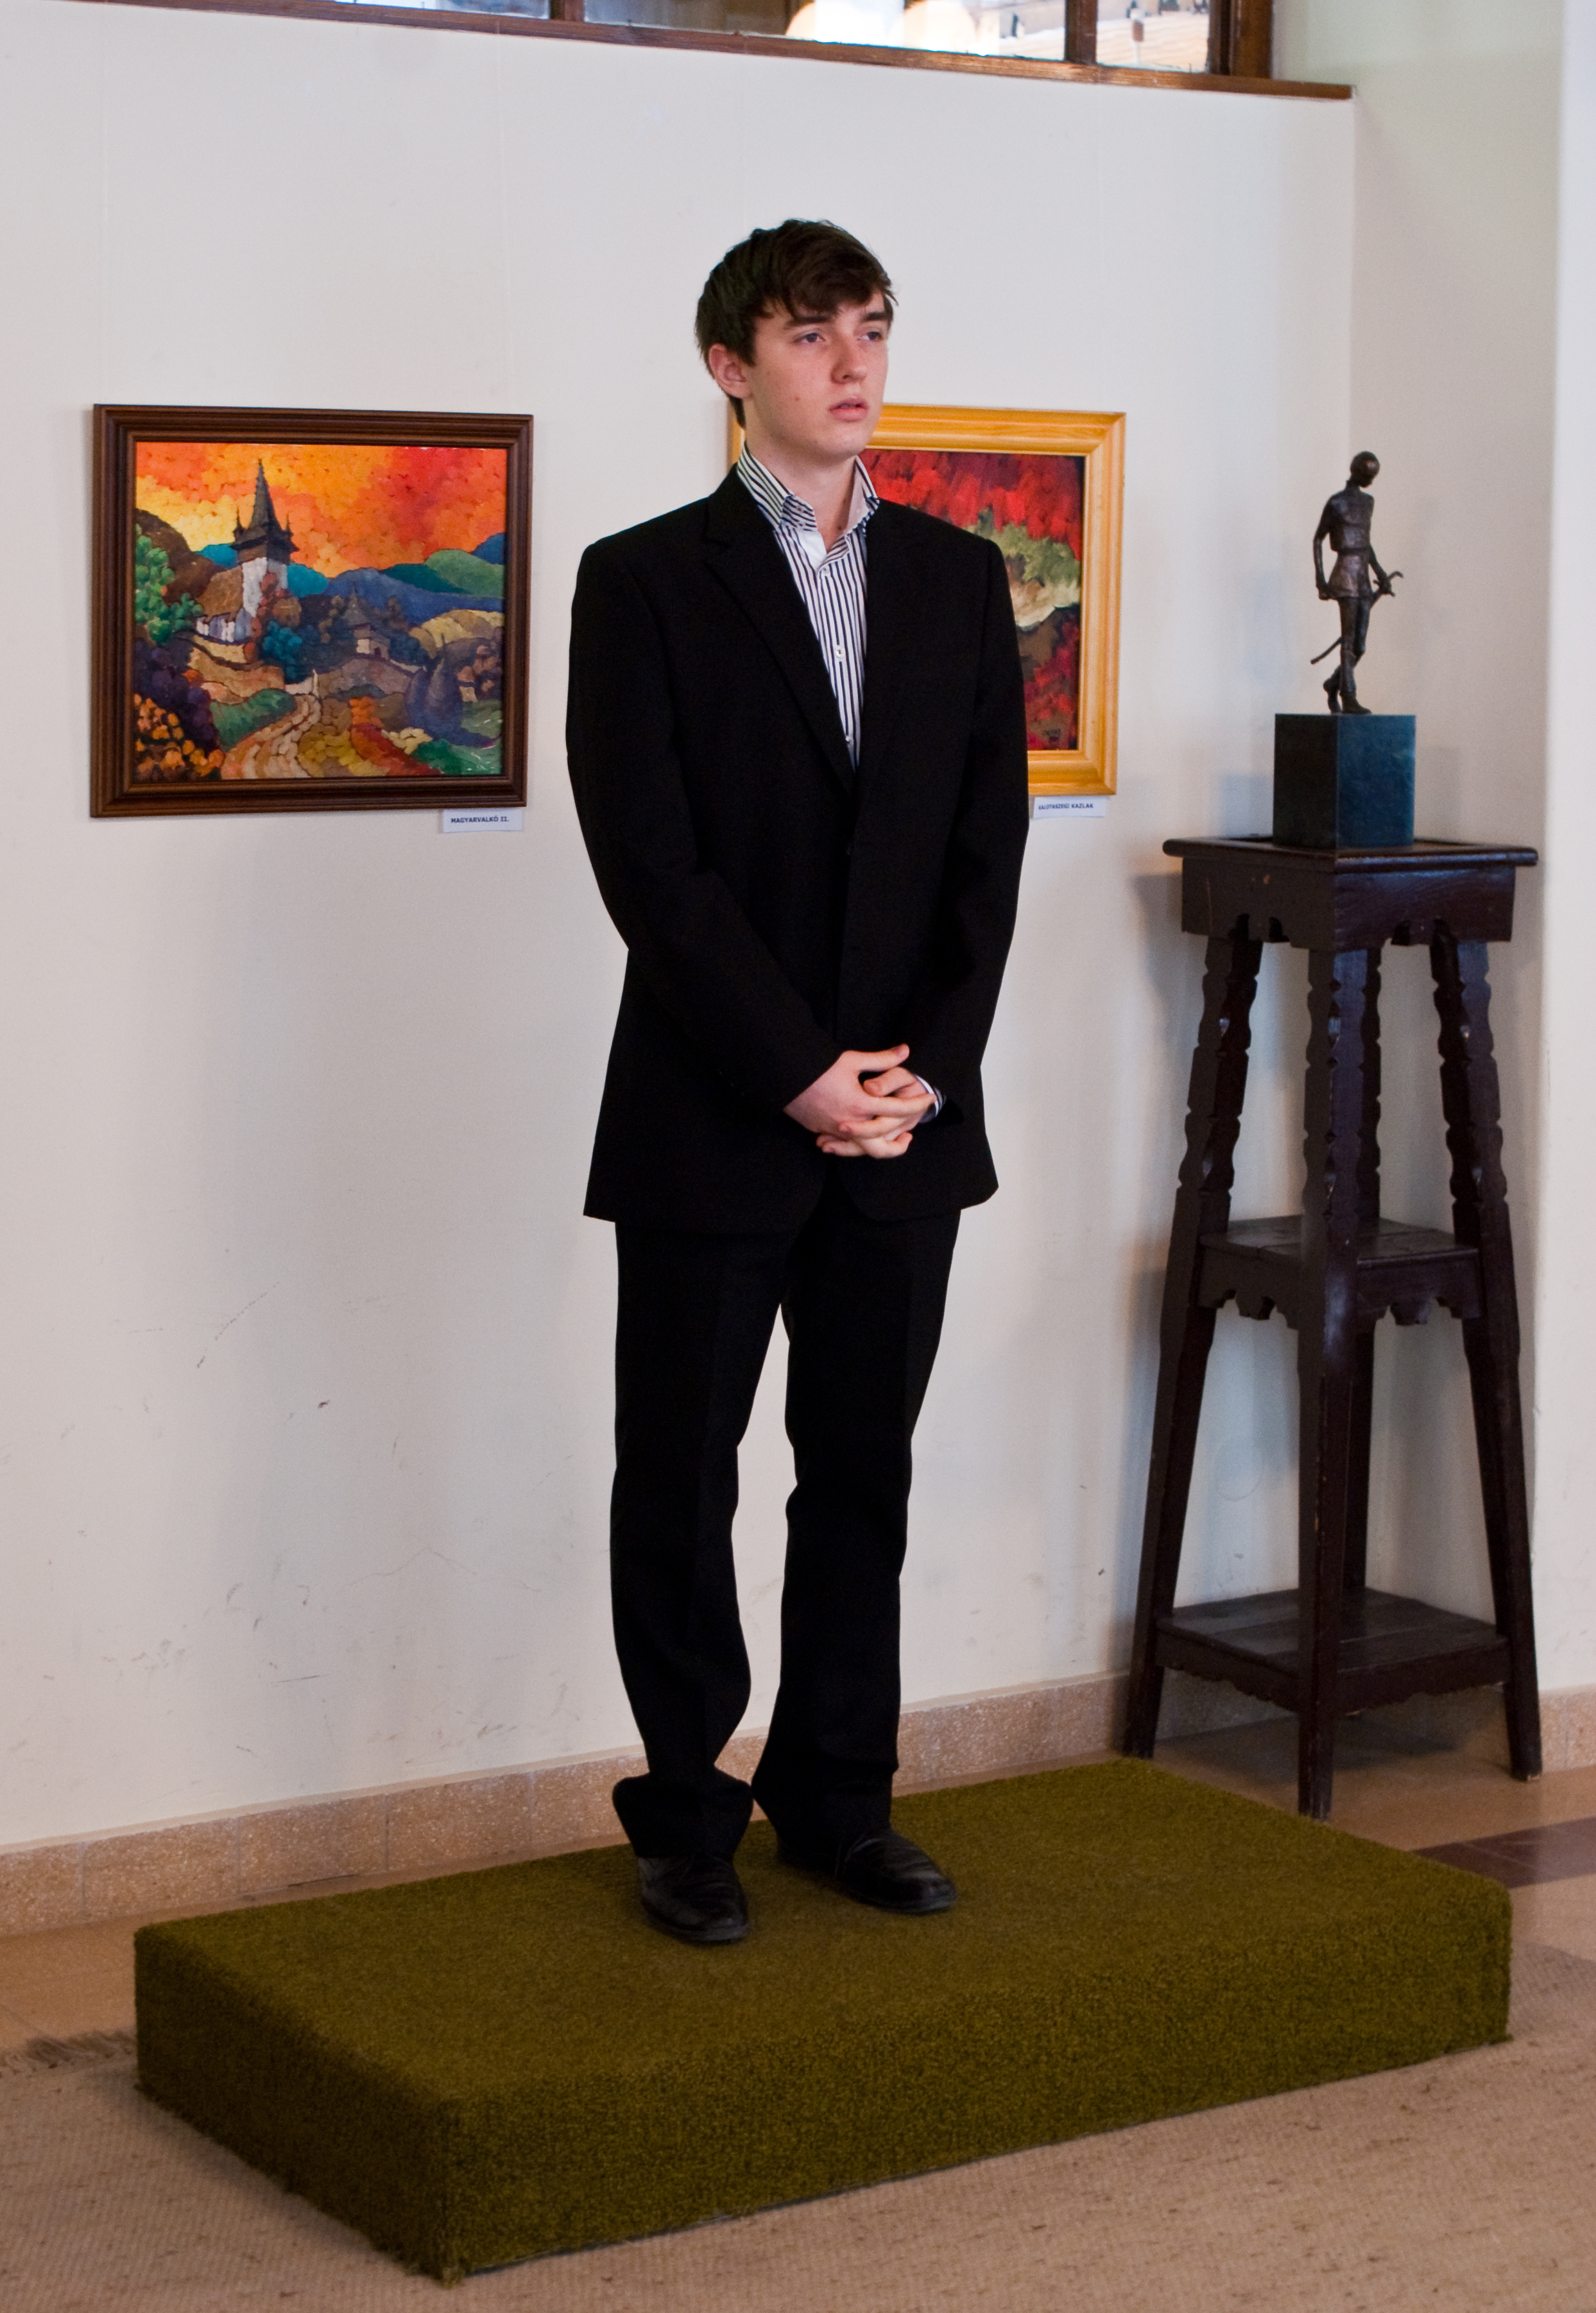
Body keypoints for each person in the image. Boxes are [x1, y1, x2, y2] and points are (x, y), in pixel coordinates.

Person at [566, 219, 1028, 1946]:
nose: (853, 362)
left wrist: (915, 1080)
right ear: (730, 365)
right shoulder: (642, 582)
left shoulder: (958, 580)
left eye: (874, 329)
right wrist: (797, 1075)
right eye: (812, 332)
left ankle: (839, 1799)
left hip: (905, 1126)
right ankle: (687, 1813)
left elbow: (986, 856)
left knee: (860, 1473)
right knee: (679, 1474)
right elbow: (653, 872)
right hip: (711, 1117)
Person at [1312, 451, 1396, 714]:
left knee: (1359, 645)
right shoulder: (1336, 503)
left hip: (1362, 576)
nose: (1371, 480)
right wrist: (1320, 580)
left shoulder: (1368, 502)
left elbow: (1365, 543)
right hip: (1345, 573)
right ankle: (1348, 696)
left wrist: (1380, 572)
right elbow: (1318, 539)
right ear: (1358, 472)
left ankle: (1333, 682)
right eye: (1369, 475)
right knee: (1348, 642)